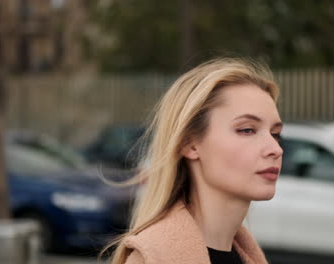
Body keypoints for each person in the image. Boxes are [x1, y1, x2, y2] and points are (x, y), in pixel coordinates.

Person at [101, 57, 283, 264]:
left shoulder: (246, 257)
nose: (275, 149)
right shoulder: (151, 259)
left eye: (275, 134)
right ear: (190, 144)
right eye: (247, 130)